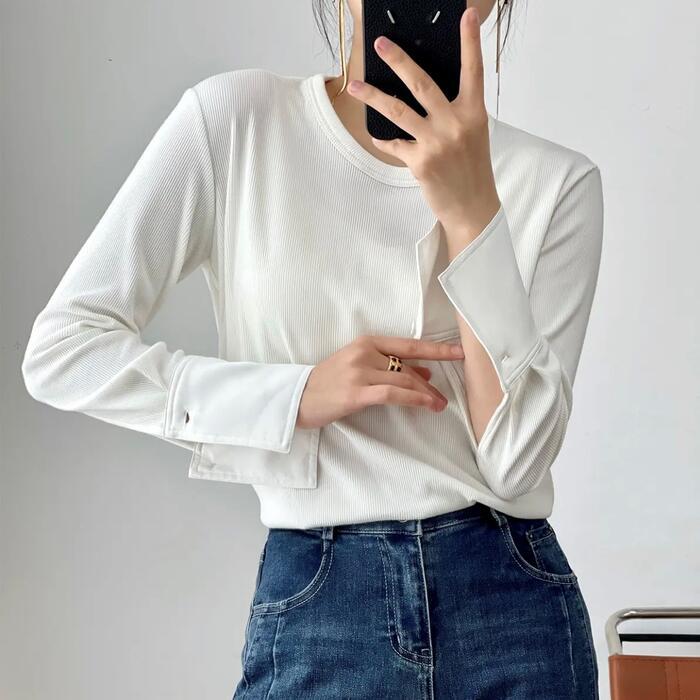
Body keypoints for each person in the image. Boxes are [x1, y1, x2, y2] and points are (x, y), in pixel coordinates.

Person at [21, 0, 603, 697]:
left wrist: (472, 213)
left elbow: (515, 465)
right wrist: (292, 395)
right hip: (321, 604)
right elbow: (66, 350)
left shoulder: (557, 182)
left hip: (511, 613)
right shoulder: (237, 123)